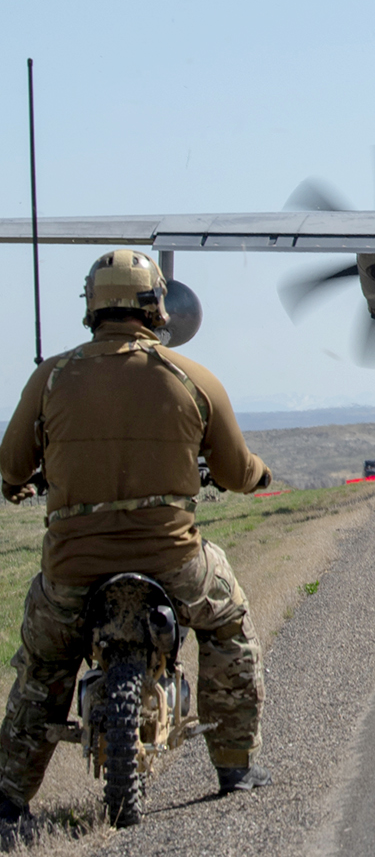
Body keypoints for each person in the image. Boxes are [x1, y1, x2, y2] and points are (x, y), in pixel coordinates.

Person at [0, 250, 273, 823]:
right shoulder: (192, 378)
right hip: (173, 560)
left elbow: (12, 465)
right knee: (229, 625)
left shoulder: (52, 377)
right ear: (156, 307)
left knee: (42, 664)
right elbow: (234, 471)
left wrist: (19, 480)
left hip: (72, 570)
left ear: (92, 307)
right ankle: (234, 766)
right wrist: (259, 475)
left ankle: (9, 796)